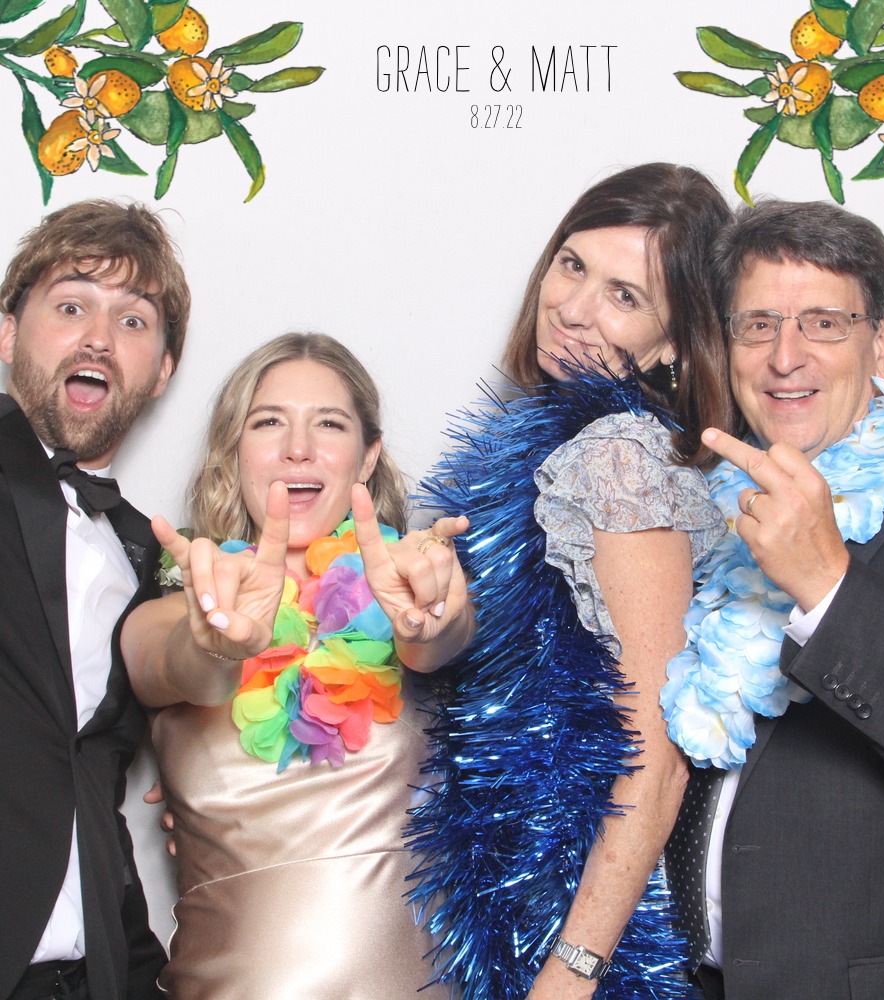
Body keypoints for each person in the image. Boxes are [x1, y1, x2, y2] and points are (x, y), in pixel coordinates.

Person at [406, 163, 736, 999]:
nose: (574, 307)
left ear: (674, 340)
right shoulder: (537, 440)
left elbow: (656, 757)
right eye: (572, 265)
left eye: (625, 296)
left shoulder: (621, 458)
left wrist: (574, 971)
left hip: (592, 928)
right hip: (520, 896)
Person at [660, 199, 884, 1000]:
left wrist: (828, 584)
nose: (786, 358)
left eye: (823, 323)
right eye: (758, 325)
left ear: (882, 342)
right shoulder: (691, 510)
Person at [121, 332, 473, 1000]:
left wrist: (433, 620)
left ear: (367, 455)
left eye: (329, 424)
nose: (298, 448)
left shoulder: (420, 582)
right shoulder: (165, 616)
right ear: (234, 449)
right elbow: (177, 664)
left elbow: (441, 641)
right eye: (268, 422)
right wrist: (216, 639)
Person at [0, 200, 189, 999]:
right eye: (72, 307)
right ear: (7, 333)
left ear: (161, 371)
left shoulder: (151, 551)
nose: (99, 339)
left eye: (132, 321)